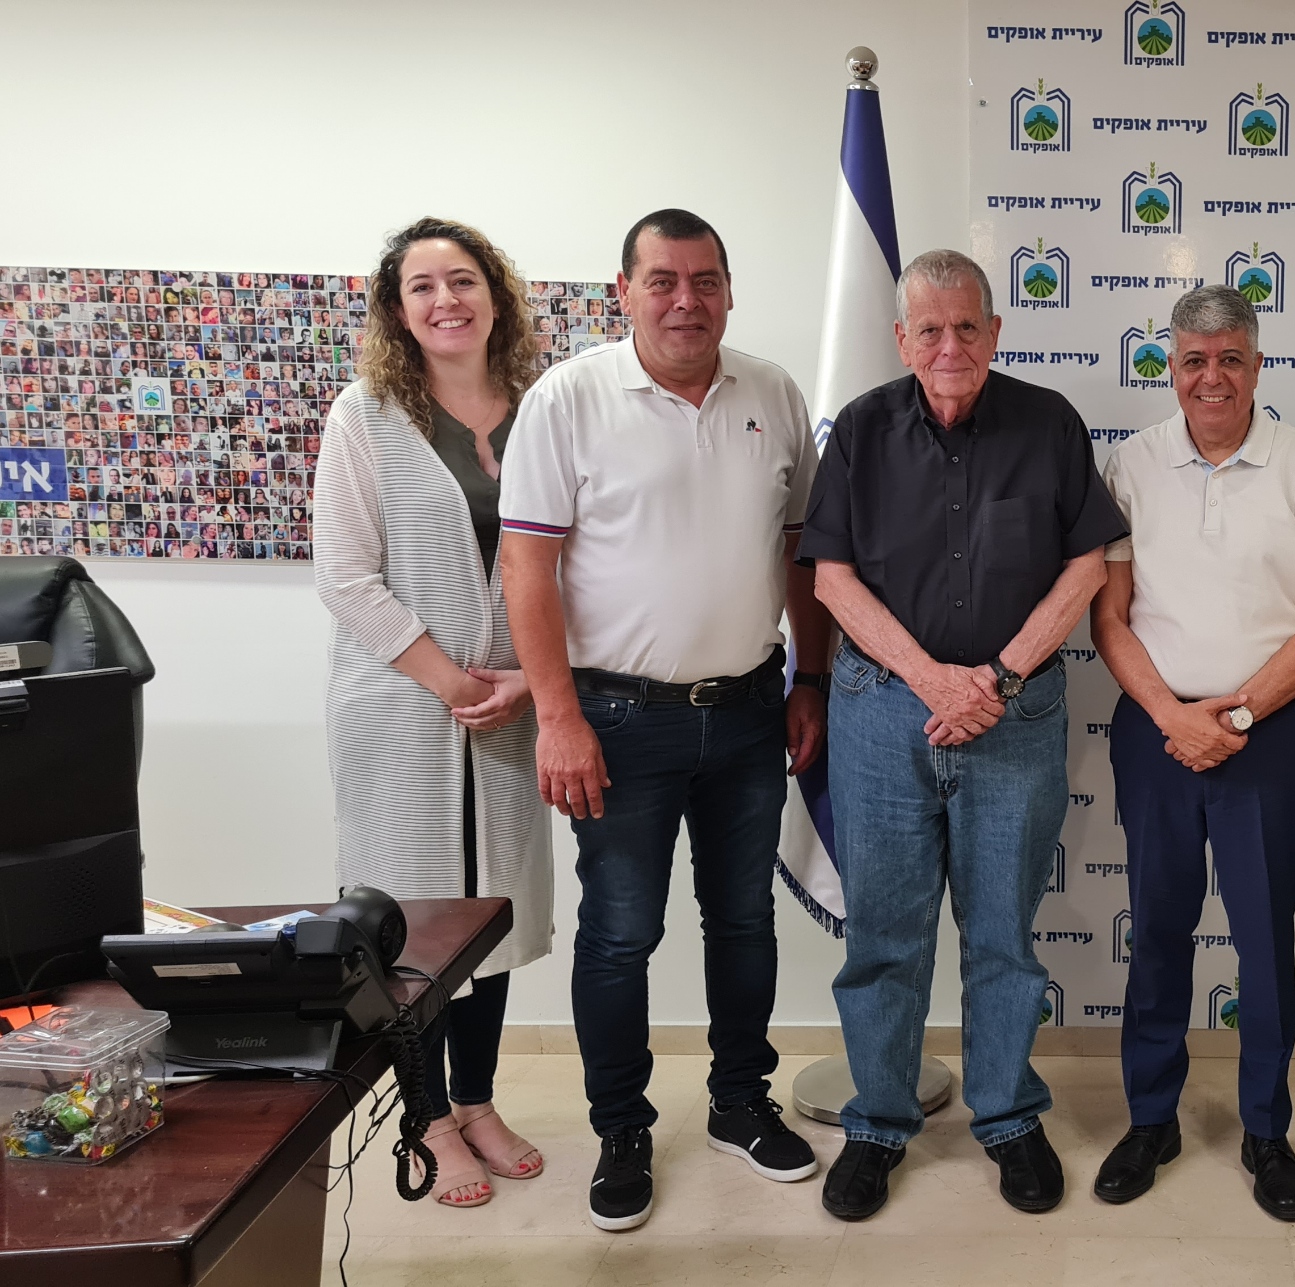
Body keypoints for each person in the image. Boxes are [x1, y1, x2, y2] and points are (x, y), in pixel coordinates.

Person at [497, 209, 830, 1233]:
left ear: (728, 289)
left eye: (706, 280)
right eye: (664, 281)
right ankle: (622, 1130)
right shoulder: (568, 398)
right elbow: (527, 569)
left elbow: (800, 552)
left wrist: (811, 677)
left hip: (748, 712)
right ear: (625, 291)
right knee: (620, 934)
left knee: (743, 919)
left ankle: (739, 1102)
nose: (687, 300)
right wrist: (557, 717)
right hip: (615, 721)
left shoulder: (772, 392)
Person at [800, 248, 1126, 1222]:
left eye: (967, 327)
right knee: (883, 936)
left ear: (995, 331)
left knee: (1002, 935)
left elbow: (1087, 564)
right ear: (902, 339)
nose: (950, 345)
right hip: (881, 714)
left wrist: (996, 677)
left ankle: (1008, 1115)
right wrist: (932, 678)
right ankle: (877, 1123)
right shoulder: (859, 430)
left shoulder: (1049, 422)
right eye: (930, 330)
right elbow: (830, 579)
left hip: (1012, 716)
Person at [1088, 285, 1295, 1222]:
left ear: (1257, 364)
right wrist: (1174, 714)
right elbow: (1109, 618)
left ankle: (1266, 1130)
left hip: (1268, 738)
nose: (1213, 377)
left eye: (1231, 359)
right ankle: (1150, 1119)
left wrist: (1232, 718)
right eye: (1195, 360)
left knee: (1264, 940)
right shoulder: (1130, 464)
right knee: (1157, 928)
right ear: (1171, 366)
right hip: (1155, 731)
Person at [313, 216, 551, 1209]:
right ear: (397, 310)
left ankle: (479, 1100)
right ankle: (429, 1119)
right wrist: (450, 681)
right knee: (412, 925)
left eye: (463, 280)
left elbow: (571, 560)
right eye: (423, 286)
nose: (446, 299)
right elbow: (344, 576)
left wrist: (527, 680)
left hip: (512, 704)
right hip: (402, 709)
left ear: (495, 297)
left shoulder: (542, 410)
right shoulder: (365, 416)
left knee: (491, 911)